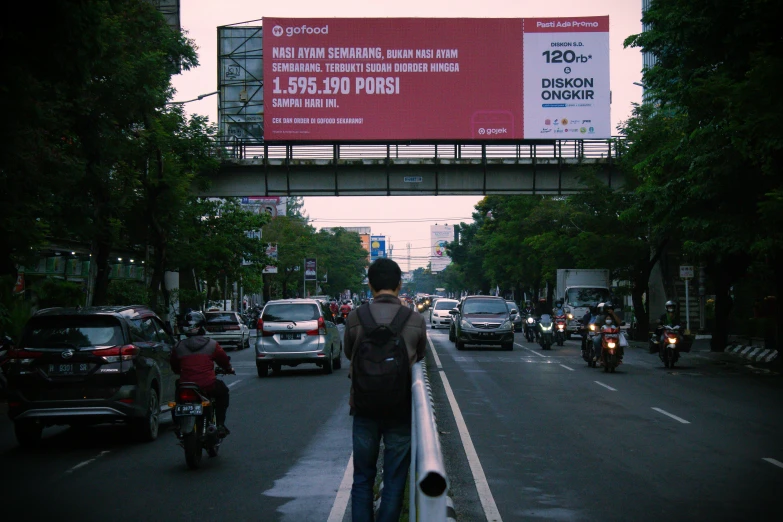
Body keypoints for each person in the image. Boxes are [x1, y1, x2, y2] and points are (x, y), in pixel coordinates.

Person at [344, 258, 426, 522]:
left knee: (362, 478)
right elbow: (420, 355)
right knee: (394, 480)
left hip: (364, 408)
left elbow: (349, 353)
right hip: (400, 409)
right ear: (400, 284)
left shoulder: (356, 317)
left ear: (369, 285)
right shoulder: (413, 319)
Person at [171, 311, 235, 438]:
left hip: (186, 385)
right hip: (208, 385)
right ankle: (221, 424)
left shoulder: (178, 346)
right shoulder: (212, 344)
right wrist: (229, 369)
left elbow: (174, 366)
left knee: (177, 395)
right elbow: (223, 361)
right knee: (223, 392)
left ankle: (178, 424)